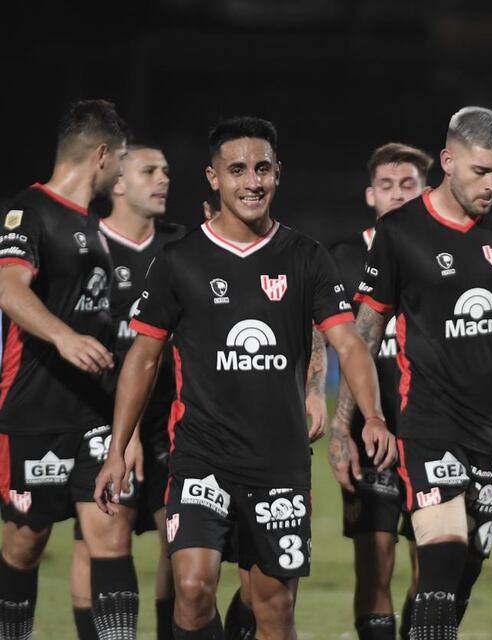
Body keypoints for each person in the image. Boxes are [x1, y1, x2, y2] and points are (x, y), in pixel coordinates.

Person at [93, 116, 394, 640]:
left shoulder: (306, 257)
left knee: (272, 609)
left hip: (277, 463)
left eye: (261, 168)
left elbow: (350, 342)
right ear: (213, 178)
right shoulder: (179, 261)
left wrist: (372, 416)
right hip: (201, 457)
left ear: (278, 173)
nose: (251, 181)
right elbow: (143, 359)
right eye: (236, 170)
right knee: (192, 589)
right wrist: (118, 448)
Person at [330, 106, 492, 640]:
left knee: (462, 578)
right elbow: (366, 334)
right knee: (443, 558)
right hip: (428, 425)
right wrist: (351, 422)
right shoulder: (401, 232)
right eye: (481, 171)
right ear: (448, 162)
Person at [0, 99, 139, 639]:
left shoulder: (93, 225)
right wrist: (62, 336)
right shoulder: (28, 212)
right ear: (101, 155)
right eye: (121, 160)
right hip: (33, 410)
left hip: (95, 413)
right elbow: (9, 288)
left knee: (111, 534)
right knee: (25, 542)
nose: (121, 172)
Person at [65, 139, 184, 640]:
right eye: (149, 170)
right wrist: (123, 428)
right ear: (116, 181)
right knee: (101, 537)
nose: (163, 180)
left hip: (171, 418)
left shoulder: (180, 246)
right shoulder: (82, 246)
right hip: (97, 413)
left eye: (166, 170)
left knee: (181, 543)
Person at [329, 142, 433, 640]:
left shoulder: (445, 255)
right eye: (387, 186)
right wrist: (337, 429)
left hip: (433, 435)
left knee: (432, 570)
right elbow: (320, 350)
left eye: (408, 185)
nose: (397, 195)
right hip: (369, 436)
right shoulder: (344, 258)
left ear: (426, 191)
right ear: (371, 195)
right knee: (375, 567)